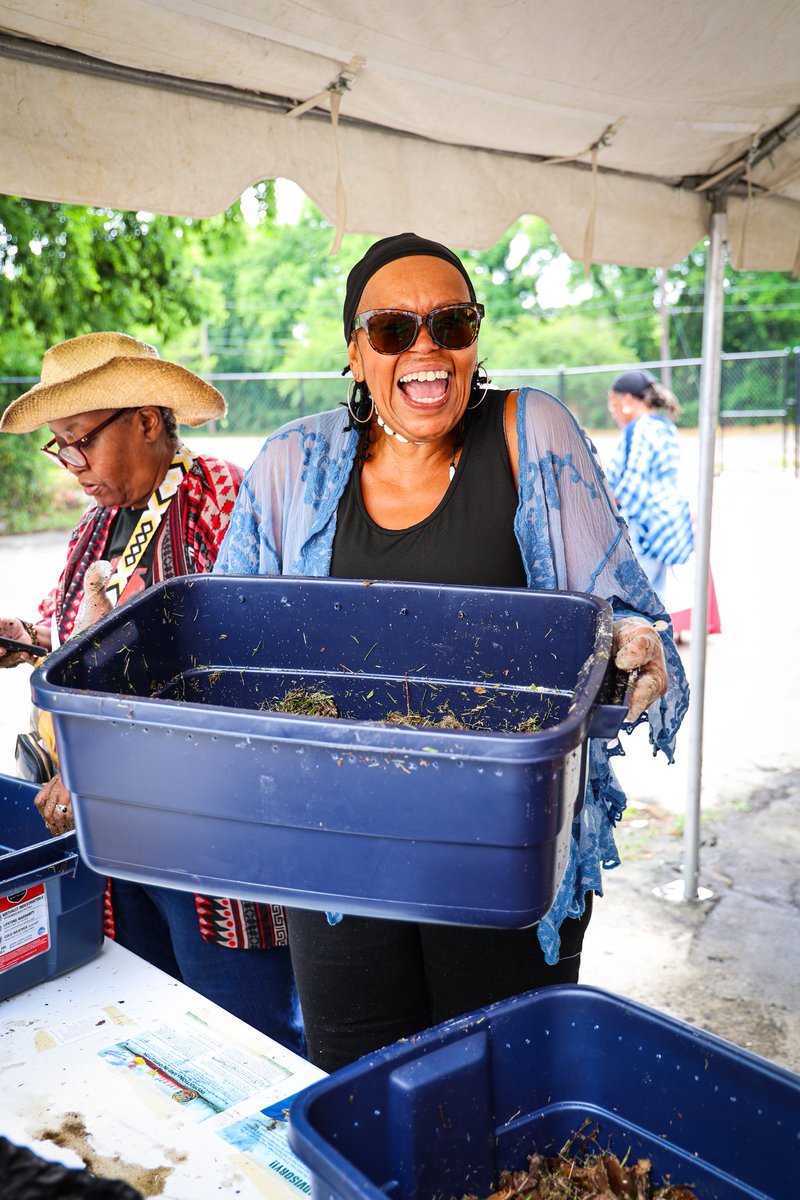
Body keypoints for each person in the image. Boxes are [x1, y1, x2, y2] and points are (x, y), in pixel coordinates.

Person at [214, 233, 689, 1072]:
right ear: (356, 352)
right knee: (360, 1082)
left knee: (501, 1089)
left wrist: (629, 638)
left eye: (452, 322)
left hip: (500, 847)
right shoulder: (292, 461)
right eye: (394, 329)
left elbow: (614, 605)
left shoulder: (529, 430)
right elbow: (231, 635)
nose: (426, 346)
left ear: (474, 339)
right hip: (336, 854)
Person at [0, 332, 304, 1054]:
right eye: (60, 448)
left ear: (145, 419)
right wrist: (30, 637)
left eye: (80, 442)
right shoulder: (96, 525)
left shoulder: (223, 501)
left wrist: (101, 762)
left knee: (238, 1038)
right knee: (152, 1023)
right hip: (117, 837)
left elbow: (239, 671)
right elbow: (89, 641)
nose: (72, 466)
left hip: (214, 849)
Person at [605, 369, 694, 597]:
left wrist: (608, 513)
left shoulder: (640, 428)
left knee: (635, 600)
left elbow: (633, 484)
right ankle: (661, 633)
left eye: (613, 403)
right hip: (665, 524)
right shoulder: (664, 425)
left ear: (627, 400)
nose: (612, 411)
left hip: (646, 527)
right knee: (656, 597)